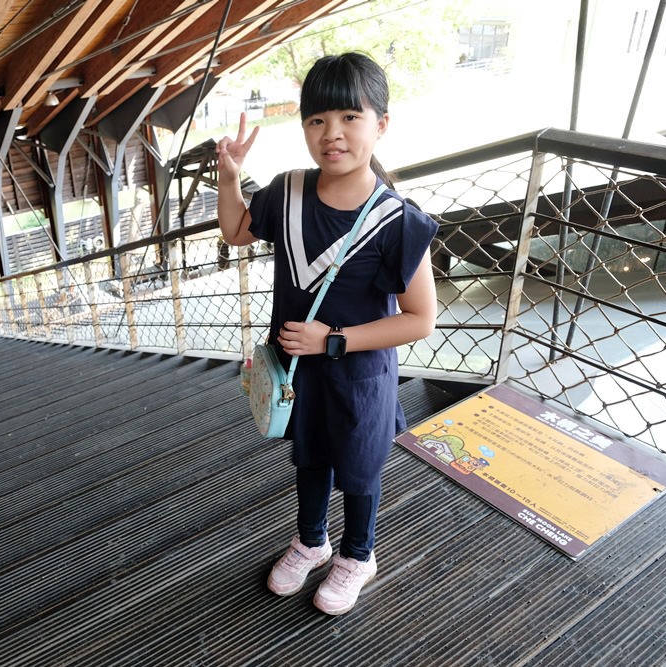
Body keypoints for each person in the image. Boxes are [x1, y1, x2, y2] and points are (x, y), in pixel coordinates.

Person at [216, 53, 439, 616]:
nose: (331, 134)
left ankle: (358, 555)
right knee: (309, 457)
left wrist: (332, 340)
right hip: (298, 371)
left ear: (380, 125)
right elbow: (236, 232)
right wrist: (227, 176)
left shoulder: (397, 220)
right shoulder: (287, 191)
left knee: (361, 468)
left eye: (349, 117)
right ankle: (311, 542)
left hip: (359, 373)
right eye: (317, 120)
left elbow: (419, 319)